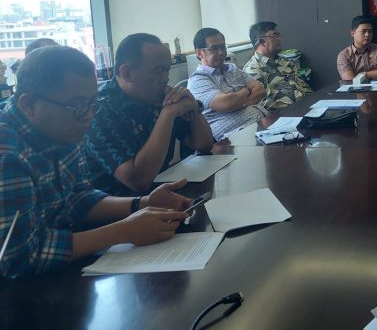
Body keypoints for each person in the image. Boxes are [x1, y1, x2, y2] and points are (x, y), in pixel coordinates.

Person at [0, 45, 190, 279]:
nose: (89, 116)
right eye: (78, 105)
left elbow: (77, 197)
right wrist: (123, 231)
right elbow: (19, 257)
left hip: (59, 268)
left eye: (92, 103)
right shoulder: (7, 154)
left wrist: (142, 203)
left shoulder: (64, 127)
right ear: (28, 104)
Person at [83, 33, 214, 195]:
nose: (165, 78)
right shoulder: (99, 111)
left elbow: (203, 144)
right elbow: (138, 181)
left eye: (167, 70)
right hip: (120, 204)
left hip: (164, 192)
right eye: (158, 70)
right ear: (127, 73)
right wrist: (167, 115)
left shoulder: (159, 96)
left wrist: (191, 106)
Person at [188, 28, 266, 139]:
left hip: (259, 124)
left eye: (223, 47)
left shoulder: (232, 69)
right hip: (232, 136)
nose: (221, 52)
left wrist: (240, 104)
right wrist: (247, 90)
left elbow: (260, 90)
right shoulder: (198, 80)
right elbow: (227, 103)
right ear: (199, 53)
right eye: (214, 48)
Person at [243, 21, 312, 111]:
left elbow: (303, 86)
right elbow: (263, 103)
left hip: (307, 106)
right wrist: (296, 107)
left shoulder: (285, 61)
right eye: (274, 35)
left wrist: (313, 100)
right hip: (285, 113)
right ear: (261, 41)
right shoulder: (252, 69)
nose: (279, 39)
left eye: (279, 35)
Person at [336, 16, 377, 81]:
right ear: (353, 33)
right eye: (363, 31)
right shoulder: (344, 55)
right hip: (357, 88)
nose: (367, 34)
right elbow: (349, 80)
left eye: (370, 31)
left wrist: (364, 74)